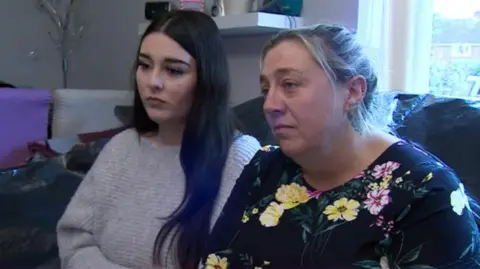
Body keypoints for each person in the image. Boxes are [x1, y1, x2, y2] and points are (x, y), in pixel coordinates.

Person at [201, 24, 480, 269]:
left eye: (290, 84)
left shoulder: (425, 192)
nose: (270, 105)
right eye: (266, 89)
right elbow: (217, 261)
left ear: (353, 91)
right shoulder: (263, 168)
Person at [56, 10, 261, 269]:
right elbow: (74, 241)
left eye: (174, 70)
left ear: (207, 79)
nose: (152, 82)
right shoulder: (122, 147)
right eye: (144, 65)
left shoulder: (240, 158)